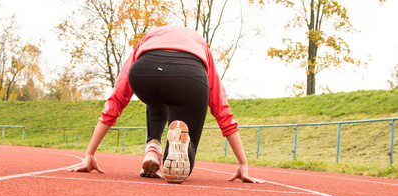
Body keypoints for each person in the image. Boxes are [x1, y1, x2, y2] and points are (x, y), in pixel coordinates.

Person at [69, 25, 264, 184]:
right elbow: (221, 108)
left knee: (157, 95)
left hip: (145, 72)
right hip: (189, 76)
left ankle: (153, 147)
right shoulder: (200, 45)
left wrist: (90, 153)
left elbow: (118, 97)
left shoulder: (148, 39)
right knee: (184, 162)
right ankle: (181, 149)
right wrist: (243, 163)